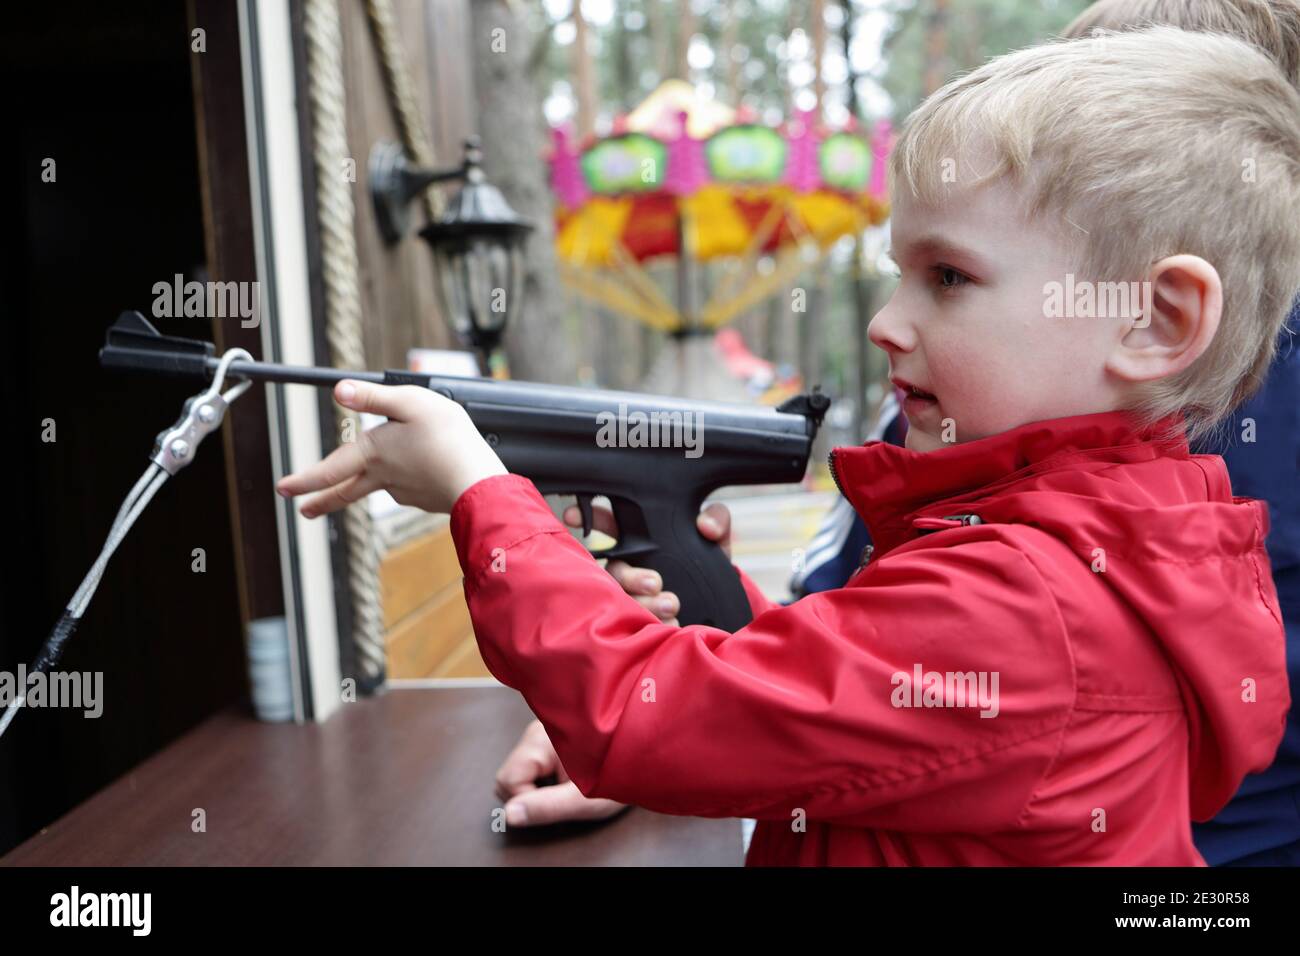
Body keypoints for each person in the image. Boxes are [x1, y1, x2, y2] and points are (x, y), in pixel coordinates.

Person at [278, 27, 1299, 865]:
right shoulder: (1095, 546)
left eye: (946, 276)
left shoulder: (1028, 600)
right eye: (897, 271)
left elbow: (646, 718)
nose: (886, 321)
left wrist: (478, 494)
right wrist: (736, 612)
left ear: (1154, 318)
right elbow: (878, 712)